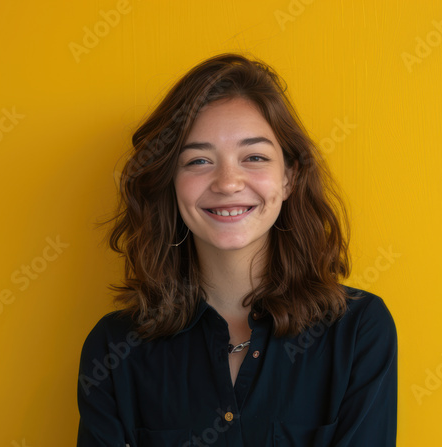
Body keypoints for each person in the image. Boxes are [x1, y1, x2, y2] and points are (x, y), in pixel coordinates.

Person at [78, 52, 397, 446]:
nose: (228, 182)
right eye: (198, 160)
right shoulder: (113, 350)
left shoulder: (359, 332)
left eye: (254, 157)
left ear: (289, 177)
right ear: (169, 183)